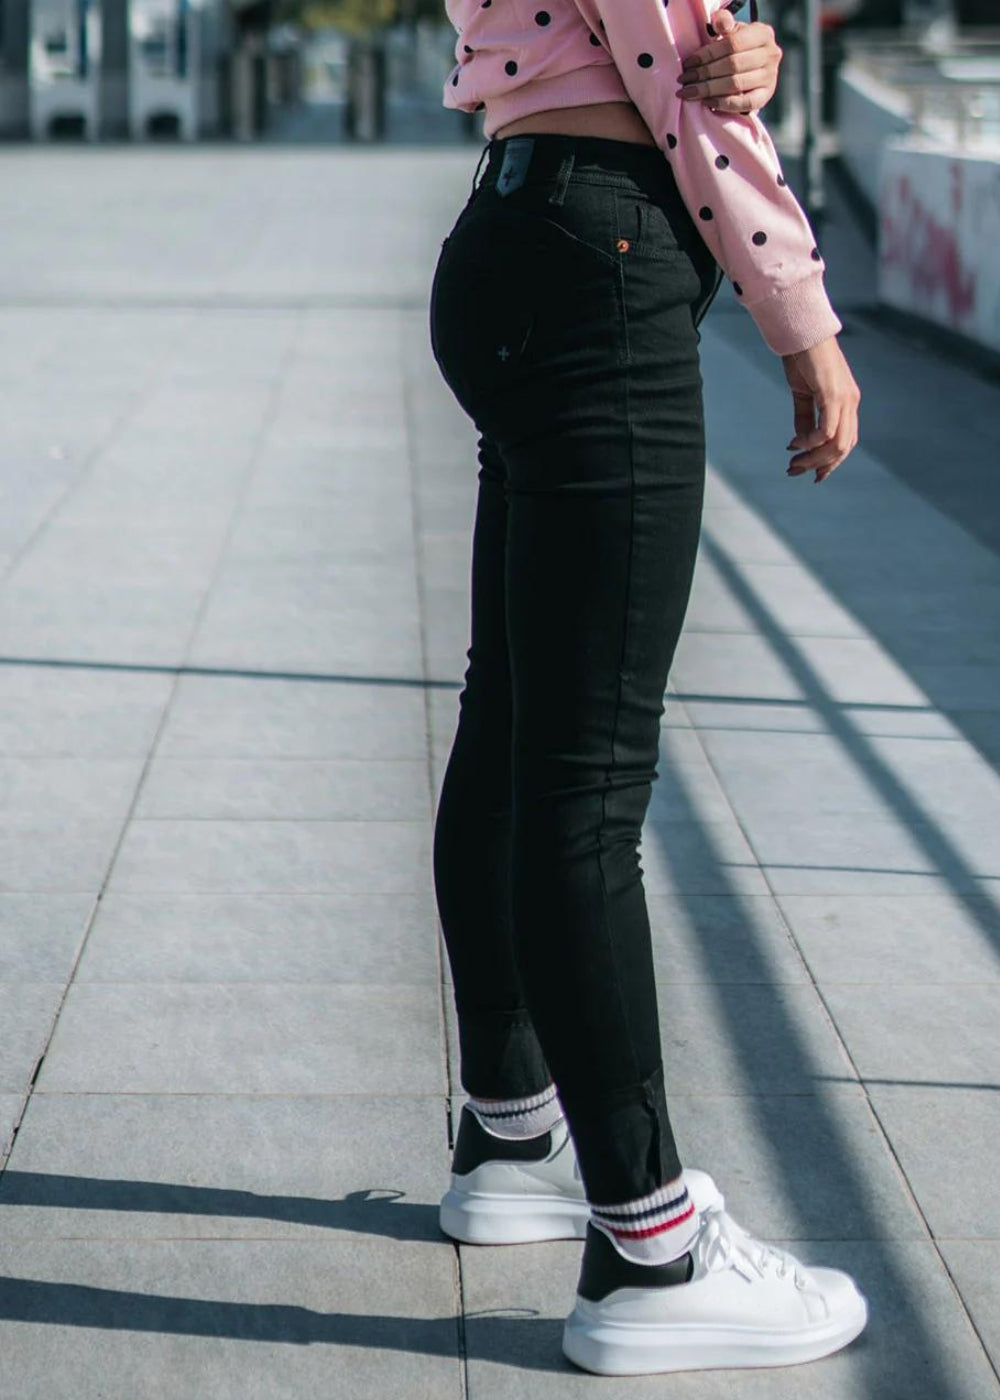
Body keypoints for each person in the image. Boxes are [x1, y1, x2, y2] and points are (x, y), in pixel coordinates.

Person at [428, 0, 866, 1378]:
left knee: (512, 724)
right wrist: (801, 316)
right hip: (601, 258)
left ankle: (514, 1138)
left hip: (517, 220)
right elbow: (668, 75)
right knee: (588, 783)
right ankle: (651, 1250)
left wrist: (730, 43)